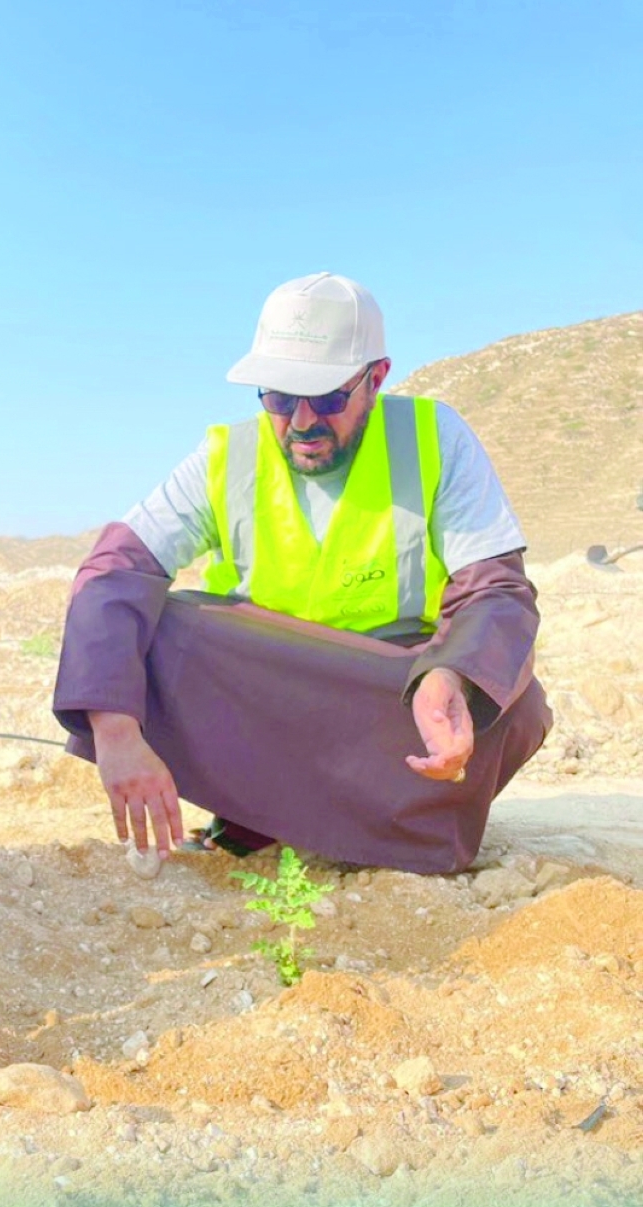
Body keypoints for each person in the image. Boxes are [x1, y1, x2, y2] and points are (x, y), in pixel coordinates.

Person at [53, 272, 552, 876]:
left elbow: (497, 591)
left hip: (388, 689)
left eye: (329, 398)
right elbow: (114, 571)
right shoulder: (226, 456)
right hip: (266, 689)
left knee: (514, 700)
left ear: (376, 378)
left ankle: (379, 832)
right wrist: (115, 732)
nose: (304, 420)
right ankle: (254, 821)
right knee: (159, 625)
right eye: (281, 398)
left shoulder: (434, 437)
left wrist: (449, 676)